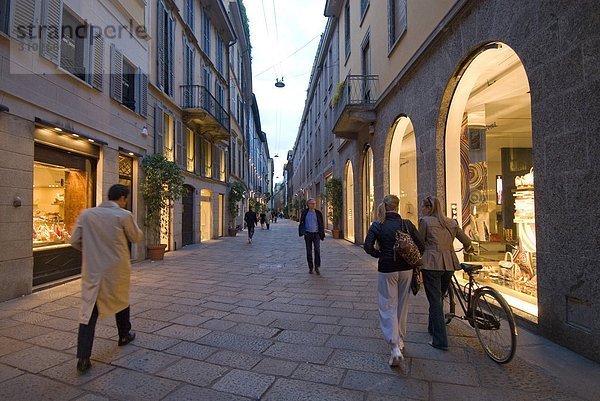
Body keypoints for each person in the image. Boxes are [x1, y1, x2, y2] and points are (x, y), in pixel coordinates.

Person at [69, 184, 143, 374]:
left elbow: (74, 240)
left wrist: (91, 250)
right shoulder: (123, 215)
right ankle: (124, 334)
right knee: (121, 299)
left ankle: (83, 358)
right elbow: (136, 237)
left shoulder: (86, 214)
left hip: (93, 269)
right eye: (126, 198)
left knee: (89, 311)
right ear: (123, 198)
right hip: (116, 268)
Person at [364, 195, 424, 367]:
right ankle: (401, 339)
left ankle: (394, 346)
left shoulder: (378, 225)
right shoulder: (407, 224)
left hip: (387, 269)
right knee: (402, 304)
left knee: (387, 305)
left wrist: (380, 255)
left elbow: (368, 247)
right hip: (406, 269)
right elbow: (421, 246)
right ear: (398, 206)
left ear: (384, 206)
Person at [419, 195, 473, 351]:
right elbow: (467, 241)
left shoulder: (426, 221)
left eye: (423, 206)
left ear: (429, 208)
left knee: (435, 300)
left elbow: (420, 243)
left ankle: (440, 340)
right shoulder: (451, 222)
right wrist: (469, 248)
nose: (422, 209)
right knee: (438, 298)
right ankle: (433, 327)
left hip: (431, 264)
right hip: (449, 264)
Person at [298, 198, 325, 274]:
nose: (313, 205)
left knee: (317, 250)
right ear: (308, 204)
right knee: (309, 252)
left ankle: (317, 267)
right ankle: (310, 267)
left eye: (314, 203)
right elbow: (302, 222)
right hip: (308, 234)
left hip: (316, 234)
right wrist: (303, 232)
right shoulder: (305, 212)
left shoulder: (318, 213)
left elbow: (321, 224)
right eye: (311, 203)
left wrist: (322, 234)